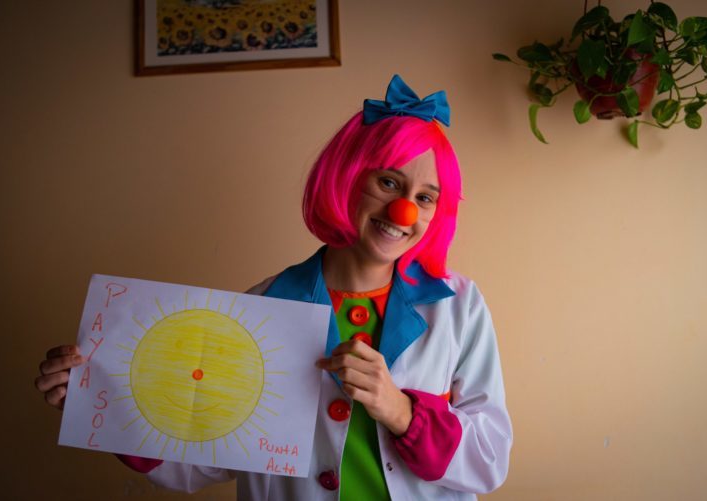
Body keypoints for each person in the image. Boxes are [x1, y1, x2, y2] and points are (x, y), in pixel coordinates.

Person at [35, 75, 512, 500]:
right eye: (388, 182)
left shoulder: (459, 307)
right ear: (348, 179)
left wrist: (402, 412)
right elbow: (201, 461)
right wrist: (101, 399)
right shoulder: (260, 307)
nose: (405, 210)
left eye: (425, 197)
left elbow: (489, 460)